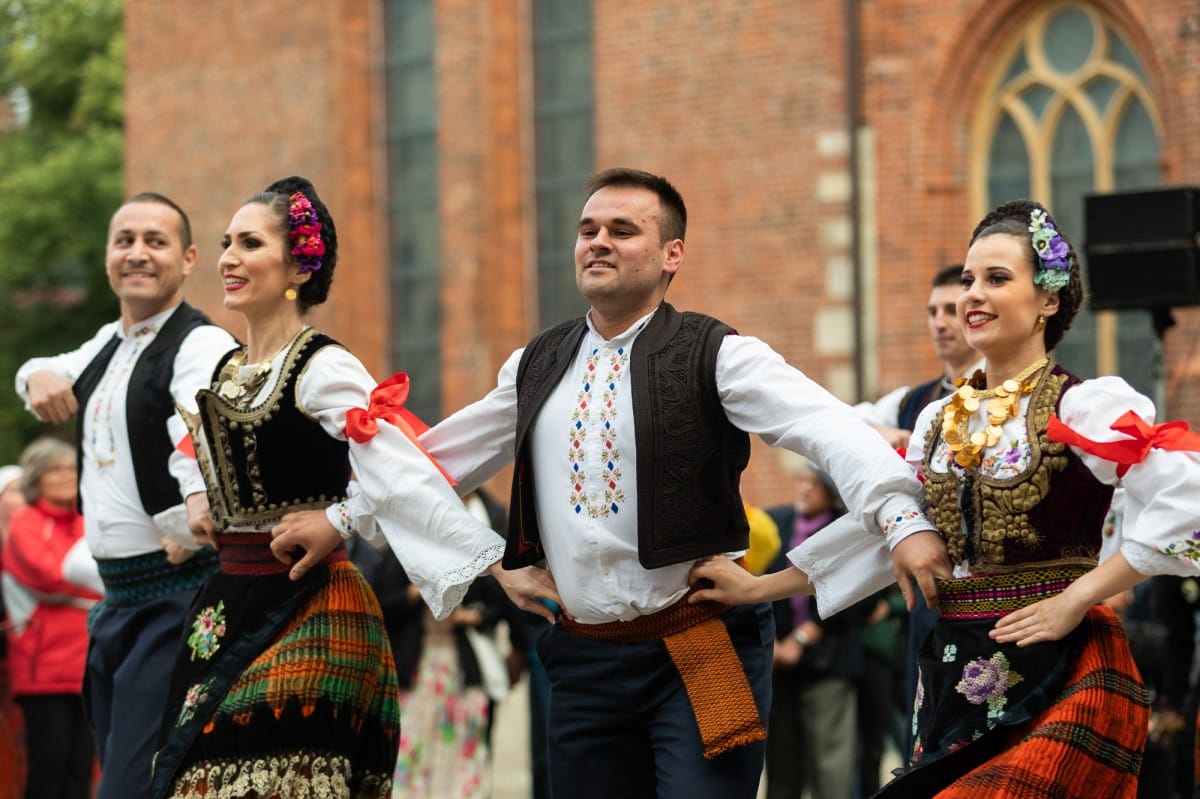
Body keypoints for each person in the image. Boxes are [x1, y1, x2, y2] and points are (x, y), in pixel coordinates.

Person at [284, 166, 940, 799]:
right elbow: (438, 462)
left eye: (622, 230)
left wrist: (902, 521)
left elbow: (831, 429)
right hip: (584, 659)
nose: (598, 241)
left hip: (698, 646)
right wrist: (347, 521)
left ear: (672, 254)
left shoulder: (719, 354)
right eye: (587, 229)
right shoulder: (536, 364)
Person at [692, 198, 1200, 797]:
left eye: (997, 278)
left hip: (1060, 665)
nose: (973, 296)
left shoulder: (1083, 407)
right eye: (967, 280)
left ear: (1048, 300)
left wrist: (1078, 598)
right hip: (953, 671)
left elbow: (1187, 499)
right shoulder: (938, 421)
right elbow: (890, 536)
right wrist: (757, 588)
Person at [151, 176, 526, 798]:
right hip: (226, 604)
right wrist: (197, 495)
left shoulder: (322, 366)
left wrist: (340, 520)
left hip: (310, 604)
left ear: (299, 266)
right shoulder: (224, 368)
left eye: (250, 243)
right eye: (226, 243)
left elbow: (397, 469)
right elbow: (186, 434)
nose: (229, 259)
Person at [14, 193, 237, 799]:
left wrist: (194, 508)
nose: (137, 253)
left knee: (128, 786)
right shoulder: (106, 344)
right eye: (125, 241)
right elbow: (40, 369)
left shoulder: (199, 344)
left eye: (155, 241)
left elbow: (198, 431)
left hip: (178, 601)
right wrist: (36, 375)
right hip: (115, 605)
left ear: (187, 259)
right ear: (108, 255)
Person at [2, 437, 101, 799]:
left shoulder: (89, 518)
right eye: (54, 469)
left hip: (89, 660)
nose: (65, 475)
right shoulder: (26, 522)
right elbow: (50, 573)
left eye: (71, 467)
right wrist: (99, 585)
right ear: (36, 478)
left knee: (81, 768)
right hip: (43, 664)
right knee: (48, 767)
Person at [763, 459, 862, 799]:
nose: (804, 489)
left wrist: (802, 638)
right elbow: (758, 579)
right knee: (781, 761)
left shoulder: (847, 532)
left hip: (828, 661)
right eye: (803, 481)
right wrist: (772, 642)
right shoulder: (778, 523)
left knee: (829, 764)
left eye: (814, 484)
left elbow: (853, 597)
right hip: (779, 663)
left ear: (833, 495)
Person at [854, 264, 982, 452]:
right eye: (933, 313)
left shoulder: (1005, 392)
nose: (939, 323)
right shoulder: (911, 401)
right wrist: (875, 431)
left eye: (951, 310)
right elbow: (843, 421)